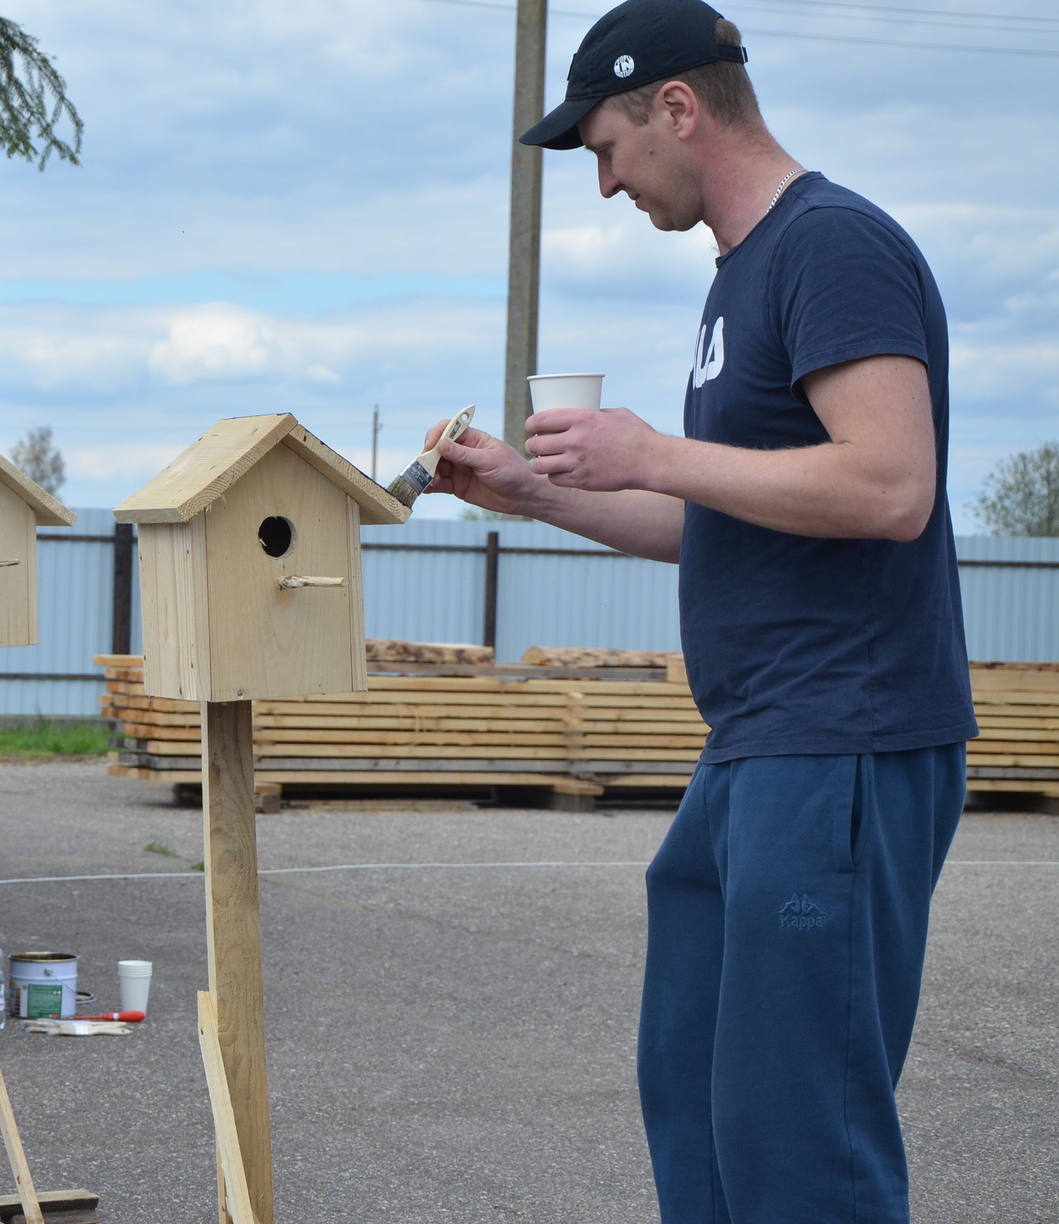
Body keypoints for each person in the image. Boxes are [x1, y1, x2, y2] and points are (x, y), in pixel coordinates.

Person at [421, 1, 973, 1219]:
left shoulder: (832, 244)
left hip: (843, 741)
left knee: (798, 1142)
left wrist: (655, 450)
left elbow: (890, 485)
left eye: (606, 147)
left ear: (678, 107)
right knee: (697, 1107)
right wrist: (541, 497)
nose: (605, 183)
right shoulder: (745, 277)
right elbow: (734, 513)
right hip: (756, 747)